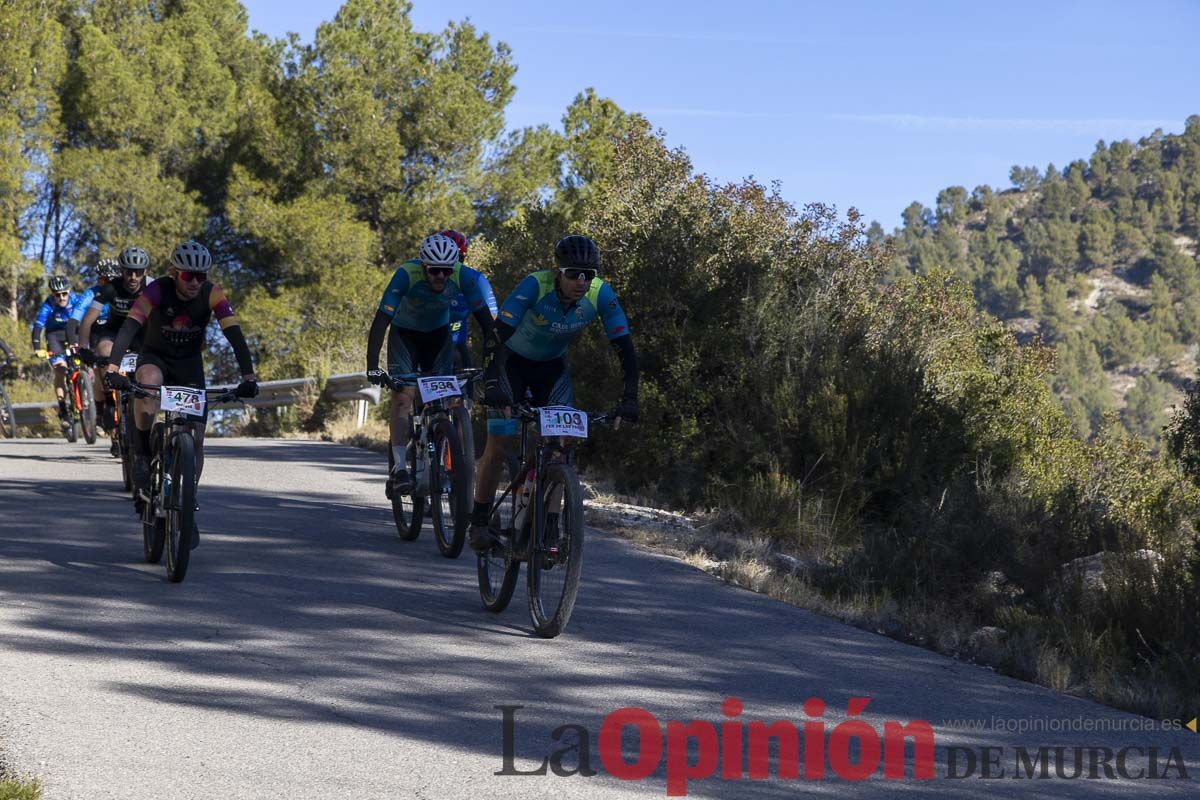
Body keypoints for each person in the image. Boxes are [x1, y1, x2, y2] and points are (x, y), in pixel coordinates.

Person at [469, 234, 640, 554]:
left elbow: (625, 349)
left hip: (551, 369)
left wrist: (629, 398)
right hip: (511, 365)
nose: (581, 281)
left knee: (560, 446)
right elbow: (495, 338)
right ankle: (479, 519)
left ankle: (548, 526)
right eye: (574, 273)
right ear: (557, 271)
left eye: (588, 275)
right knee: (500, 441)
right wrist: (493, 386)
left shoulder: (600, 293)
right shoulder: (536, 285)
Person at [105, 240, 257, 547]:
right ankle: (143, 455)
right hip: (156, 358)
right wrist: (112, 367)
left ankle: (188, 504)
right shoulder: (156, 291)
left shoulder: (212, 293)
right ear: (175, 273)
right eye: (189, 276)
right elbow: (130, 329)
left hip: (189, 366)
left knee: (197, 438)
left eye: (201, 276)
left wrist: (249, 376)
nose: (196, 282)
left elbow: (234, 335)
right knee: (146, 386)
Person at [365, 233, 497, 496]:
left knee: (446, 401)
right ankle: (400, 468)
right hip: (405, 336)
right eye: (434, 270)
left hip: (438, 337)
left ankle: (443, 452)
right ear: (423, 265)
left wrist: (494, 364)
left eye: (446, 271)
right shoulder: (406, 274)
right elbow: (381, 321)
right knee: (403, 398)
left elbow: (488, 326)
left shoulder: (464, 277)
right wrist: (372, 364)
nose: (440, 276)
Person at [78, 248, 149, 446]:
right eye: (128, 271)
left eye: (138, 272)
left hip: (139, 334)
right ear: (122, 271)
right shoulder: (111, 288)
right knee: (104, 353)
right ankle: (109, 400)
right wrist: (83, 347)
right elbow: (87, 321)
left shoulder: (152, 286)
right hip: (113, 332)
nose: (133, 277)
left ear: (145, 271)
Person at [68, 258, 116, 438]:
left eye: (113, 279)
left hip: (118, 331)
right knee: (101, 368)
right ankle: (103, 411)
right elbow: (74, 321)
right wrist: (76, 343)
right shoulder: (90, 294)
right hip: (95, 332)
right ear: (100, 279)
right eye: (106, 279)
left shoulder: (122, 293)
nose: (109, 283)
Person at [31, 275, 85, 422]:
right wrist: (37, 348)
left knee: (86, 364)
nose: (61, 297)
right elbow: (38, 327)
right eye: (57, 295)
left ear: (69, 292)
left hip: (74, 333)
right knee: (60, 369)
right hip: (55, 336)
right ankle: (62, 407)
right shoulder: (48, 305)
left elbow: (88, 318)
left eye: (64, 293)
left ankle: (86, 396)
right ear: (52, 295)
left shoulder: (76, 300)